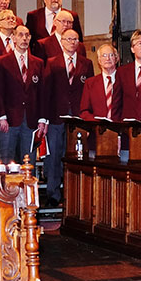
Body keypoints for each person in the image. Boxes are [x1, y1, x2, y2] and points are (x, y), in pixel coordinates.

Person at [42, 27, 93, 203]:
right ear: (61, 42)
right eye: (68, 39)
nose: (72, 42)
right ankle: (53, 195)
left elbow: (90, 91)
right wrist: (44, 118)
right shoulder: (52, 62)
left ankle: (74, 195)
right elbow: (46, 91)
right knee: (55, 155)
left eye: (75, 39)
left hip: (78, 118)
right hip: (56, 116)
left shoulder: (87, 64)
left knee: (75, 157)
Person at [0, 24, 46, 164]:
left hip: (31, 120)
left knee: (30, 161)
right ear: (13, 38)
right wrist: (1, 116)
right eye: (20, 35)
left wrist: (42, 119)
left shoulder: (38, 63)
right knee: (6, 160)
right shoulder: (3, 61)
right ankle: (5, 187)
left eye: (27, 35)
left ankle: (29, 186)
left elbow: (42, 93)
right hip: (9, 119)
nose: (24, 38)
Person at [80, 44, 123, 120]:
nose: (108, 58)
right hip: (98, 129)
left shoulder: (124, 80)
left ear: (116, 58)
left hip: (120, 128)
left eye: (111, 55)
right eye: (104, 55)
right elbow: (84, 111)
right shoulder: (90, 83)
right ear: (99, 60)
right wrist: (97, 123)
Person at [121, 30, 141, 119]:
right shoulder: (122, 72)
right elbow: (117, 102)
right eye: (140, 43)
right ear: (132, 49)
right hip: (128, 124)